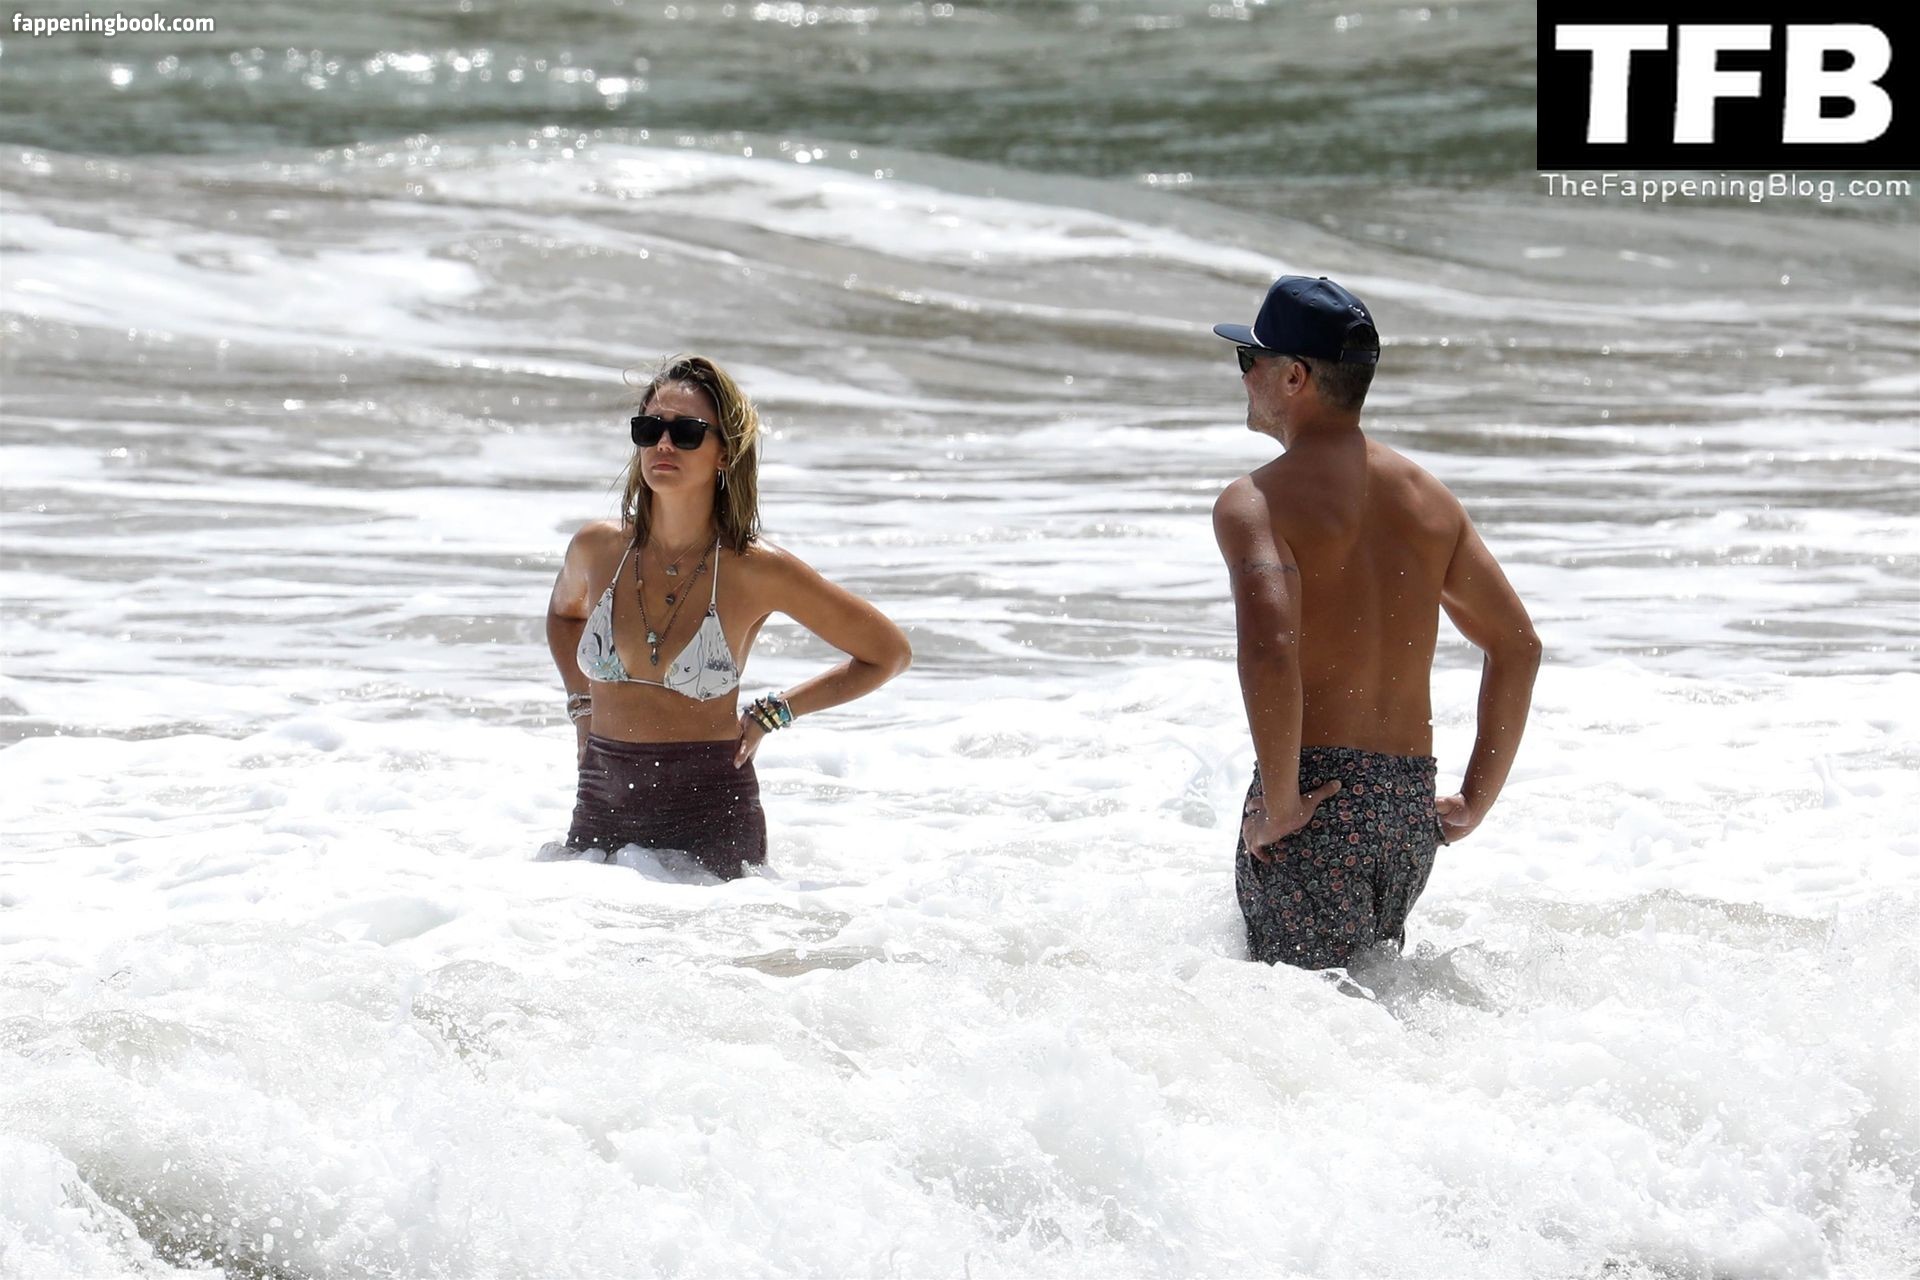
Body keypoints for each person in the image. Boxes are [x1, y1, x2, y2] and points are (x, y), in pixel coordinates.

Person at [1211, 276, 1541, 969]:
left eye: (1250, 359)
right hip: (1407, 809)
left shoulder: (1256, 502)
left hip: (1315, 795)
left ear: (1294, 376)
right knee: (1366, 1005)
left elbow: (1271, 650)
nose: (1243, 377)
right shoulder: (1429, 500)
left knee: (1294, 1017)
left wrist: (1280, 803)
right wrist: (1474, 802)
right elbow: (1517, 646)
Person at [545, 354, 912, 878]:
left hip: (711, 820)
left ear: (724, 452)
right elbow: (564, 617)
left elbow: (888, 654)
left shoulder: (755, 569)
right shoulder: (596, 549)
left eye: (686, 432)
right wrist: (581, 703)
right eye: (649, 429)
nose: (663, 444)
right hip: (602, 808)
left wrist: (775, 712)